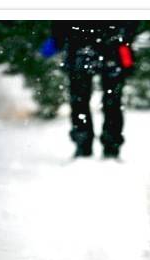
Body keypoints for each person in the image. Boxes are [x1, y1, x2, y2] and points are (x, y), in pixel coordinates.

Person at [43, 20, 140, 158]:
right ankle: (94, 145)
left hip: (98, 44)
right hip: (92, 44)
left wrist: (123, 38)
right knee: (103, 100)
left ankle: (95, 146)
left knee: (89, 100)